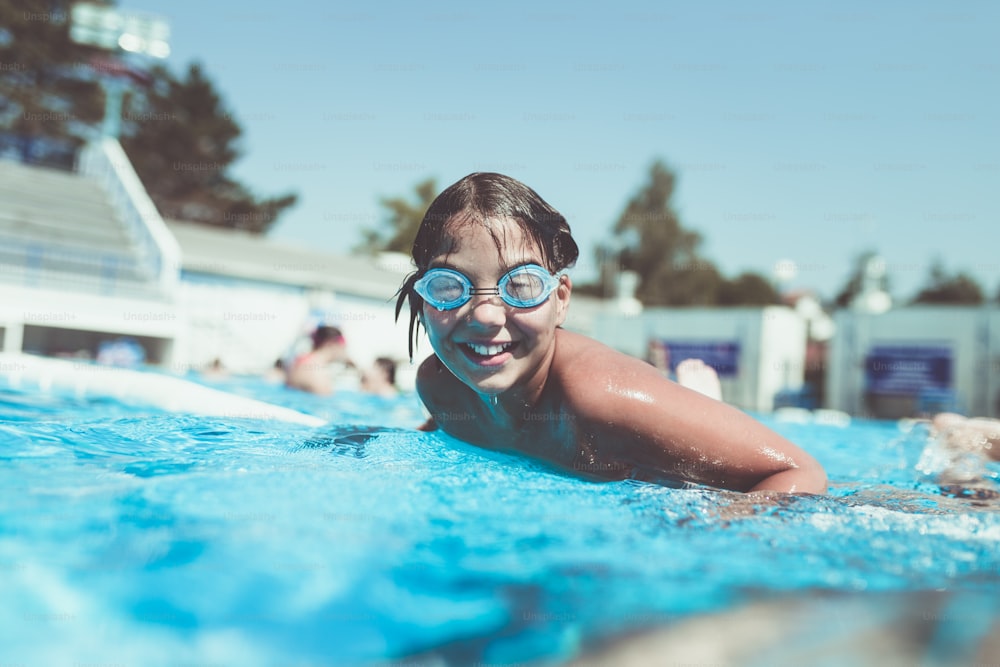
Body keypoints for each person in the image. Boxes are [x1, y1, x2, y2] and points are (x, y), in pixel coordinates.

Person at [395, 172, 826, 494]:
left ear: (561, 298)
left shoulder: (598, 397)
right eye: (449, 286)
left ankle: (696, 402)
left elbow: (798, 473)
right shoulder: (440, 387)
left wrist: (707, 541)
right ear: (423, 298)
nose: (486, 315)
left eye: (520, 286)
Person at [285, 325, 353, 395]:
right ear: (331, 343)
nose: (345, 349)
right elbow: (324, 401)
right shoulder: (318, 373)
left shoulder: (299, 360)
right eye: (343, 344)